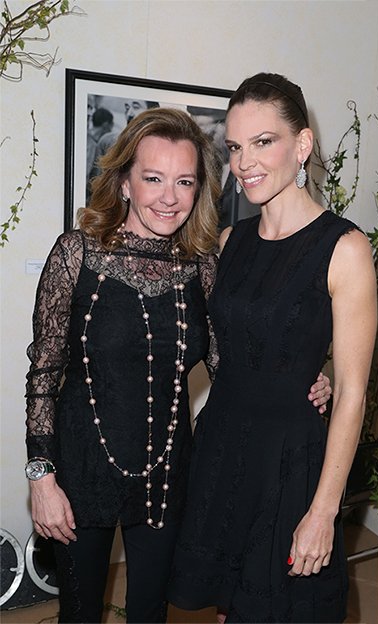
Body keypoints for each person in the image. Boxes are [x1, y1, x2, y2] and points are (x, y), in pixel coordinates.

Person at [24, 107, 330, 623]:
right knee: (79, 614)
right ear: (124, 183)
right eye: (153, 179)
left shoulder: (202, 266)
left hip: (167, 479)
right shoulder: (75, 254)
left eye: (184, 181)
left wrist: (302, 379)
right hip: (79, 475)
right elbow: (44, 372)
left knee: (150, 613)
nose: (169, 197)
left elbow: (232, 365)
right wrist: (41, 477)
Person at [167, 73, 377, 623]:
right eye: (235, 147)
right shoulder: (230, 242)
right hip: (222, 449)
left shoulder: (345, 247)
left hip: (289, 462)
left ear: (302, 145)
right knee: (228, 608)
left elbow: (352, 394)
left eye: (263, 142)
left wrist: (324, 511)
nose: (244, 163)